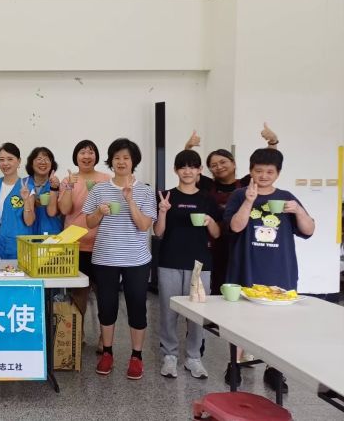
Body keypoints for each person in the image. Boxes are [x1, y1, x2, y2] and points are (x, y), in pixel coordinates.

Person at [225, 148, 315, 393]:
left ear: (278, 173)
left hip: (280, 269)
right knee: (239, 319)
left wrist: (299, 211)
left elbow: (308, 230)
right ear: (250, 170)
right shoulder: (239, 195)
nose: (263, 176)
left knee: (279, 324)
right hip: (246, 266)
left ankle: (275, 370)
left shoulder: (287, 198)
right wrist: (249, 201)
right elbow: (235, 227)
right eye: (258, 171)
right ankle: (234, 364)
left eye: (269, 172)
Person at [83, 138, 157, 380]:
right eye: (117, 158)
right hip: (105, 257)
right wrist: (99, 212)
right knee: (106, 307)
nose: (121, 162)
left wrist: (130, 200)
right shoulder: (99, 189)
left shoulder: (145, 190)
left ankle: (136, 356)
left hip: (136, 259)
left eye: (126, 157)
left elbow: (144, 225)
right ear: (111, 161)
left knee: (137, 306)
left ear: (133, 161)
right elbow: (89, 223)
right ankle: (107, 352)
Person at [184, 123, 279, 295]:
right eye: (214, 165)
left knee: (240, 280)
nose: (219, 166)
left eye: (223, 162)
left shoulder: (247, 182)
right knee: (214, 283)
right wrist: (188, 147)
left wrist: (272, 142)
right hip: (212, 242)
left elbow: (266, 166)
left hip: (241, 240)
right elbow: (188, 169)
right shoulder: (207, 184)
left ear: (233, 163)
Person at [153, 150, 221, 379]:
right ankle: (169, 355)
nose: (188, 171)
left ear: (200, 170)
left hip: (200, 263)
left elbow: (217, 234)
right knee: (168, 311)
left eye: (193, 167)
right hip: (170, 261)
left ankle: (193, 357)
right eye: (183, 167)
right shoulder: (166, 196)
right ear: (176, 170)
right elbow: (158, 233)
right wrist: (163, 211)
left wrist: (210, 221)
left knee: (197, 313)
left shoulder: (207, 199)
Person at [58, 139, 111, 352]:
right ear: (76, 157)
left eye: (91, 152)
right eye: (82, 152)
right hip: (76, 245)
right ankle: (77, 333)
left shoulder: (106, 179)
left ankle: (104, 338)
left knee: (103, 293)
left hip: (102, 244)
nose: (87, 156)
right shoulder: (68, 180)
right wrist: (69, 187)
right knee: (78, 293)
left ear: (96, 156)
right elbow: (65, 209)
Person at [0, 142, 36, 259]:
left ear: (19, 161)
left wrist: (26, 200)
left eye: (10, 159)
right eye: (2, 160)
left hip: (14, 246)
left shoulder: (27, 187)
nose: (5, 163)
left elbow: (29, 221)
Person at [25, 147, 63, 235]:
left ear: (51, 164)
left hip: (51, 234)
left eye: (46, 159)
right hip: (27, 234)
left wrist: (54, 189)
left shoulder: (57, 185)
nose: (43, 162)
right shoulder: (22, 184)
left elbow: (56, 212)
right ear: (31, 163)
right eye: (39, 159)